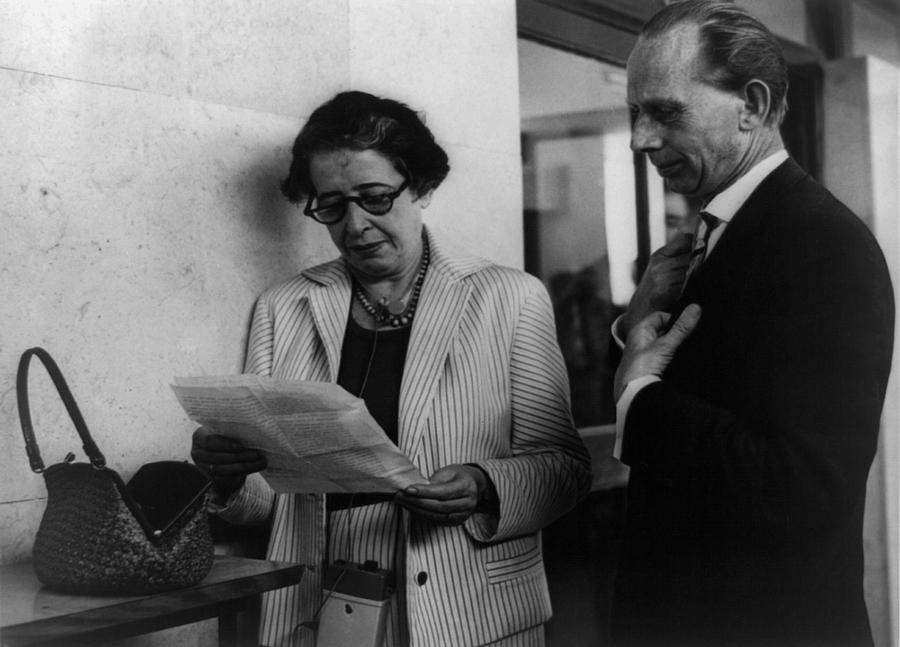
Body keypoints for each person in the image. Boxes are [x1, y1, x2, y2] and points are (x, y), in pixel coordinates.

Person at [191, 90, 592, 647]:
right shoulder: (283, 307)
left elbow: (567, 469)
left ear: (422, 187)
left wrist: (484, 484)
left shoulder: (509, 298)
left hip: (467, 610)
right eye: (331, 206)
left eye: (375, 198)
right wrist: (231, 474)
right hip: (319, 605)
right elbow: (271, 503)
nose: (354, 225)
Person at [610, 2, 895, 646]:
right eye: (634, 112)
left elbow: (805, 485)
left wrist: (641, 397)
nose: (639, 140)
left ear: (754, 105)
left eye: (666, 111)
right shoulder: (719, 233)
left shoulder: (826, 247)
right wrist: (635, 329)